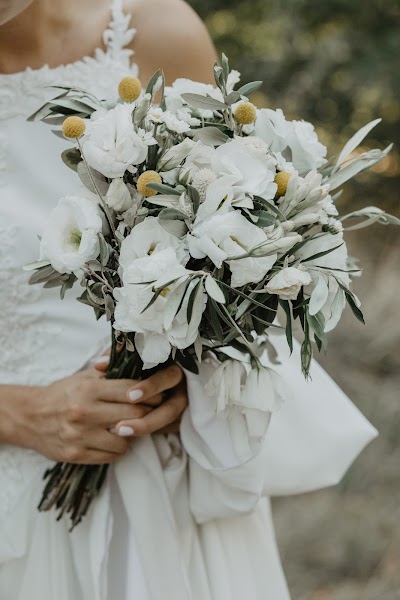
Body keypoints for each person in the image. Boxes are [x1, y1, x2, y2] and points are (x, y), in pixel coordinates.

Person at [0, 1, 377, 599]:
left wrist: (195, 361)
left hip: (153, 494)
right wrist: (17, 413)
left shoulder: (155, 33)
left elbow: (235, 211)